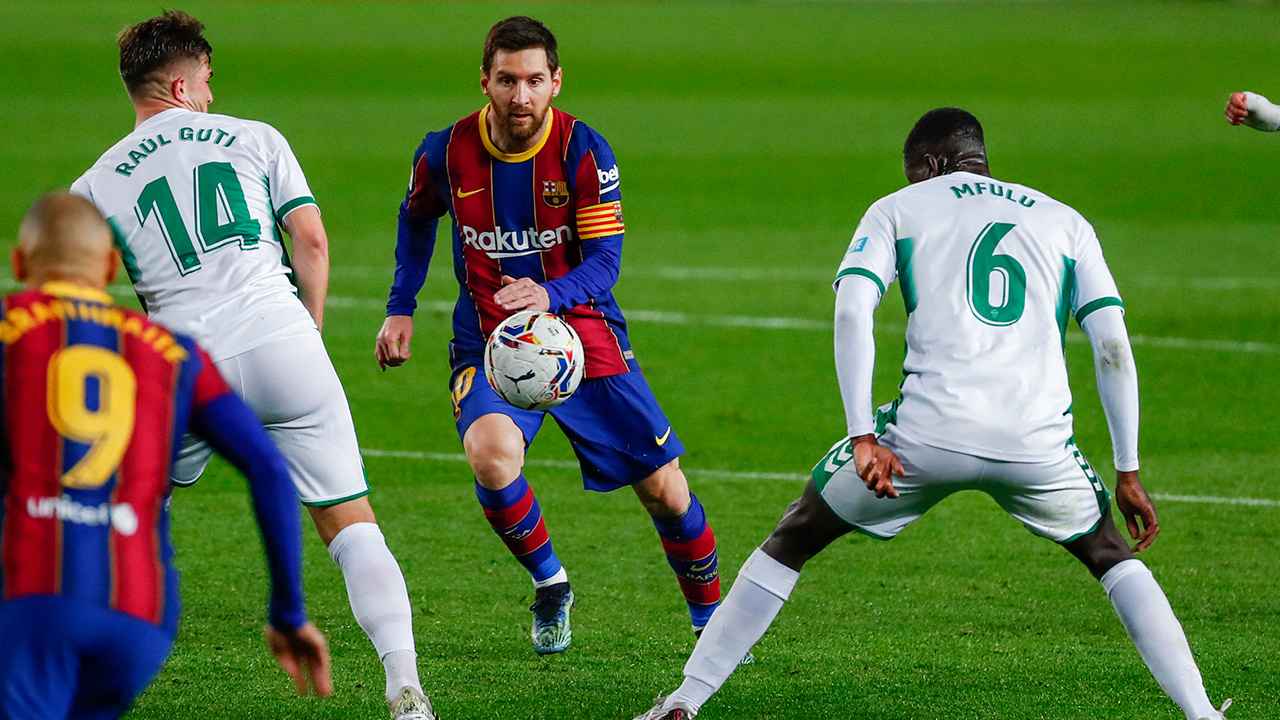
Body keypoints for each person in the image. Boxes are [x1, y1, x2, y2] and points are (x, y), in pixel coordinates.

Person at [632, 108, 1232, 720]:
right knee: (1108, 552)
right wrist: (1127, 469)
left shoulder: (899, 208)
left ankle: (686, 699)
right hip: (1037, 442)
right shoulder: (1064, 220)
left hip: (920, 440)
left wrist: (863, 435)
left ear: (932, 165)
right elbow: (1112, 345)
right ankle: (1202, 713)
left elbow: (851, 313)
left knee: (795, 535)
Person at [67, 13, 435, 720]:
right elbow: (312, 240)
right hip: (282, 340)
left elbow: (81, 295)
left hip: (181, 369)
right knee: (350, 523)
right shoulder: (255, 137)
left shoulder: (96, 182)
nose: (209, 93)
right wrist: (309, 331)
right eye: (204, 81)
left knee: (132, 519)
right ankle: (406, 691)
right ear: (179, 81)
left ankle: (83, 675)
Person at [376, 16, 735, 658]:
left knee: (665, 490)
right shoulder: (444, 151)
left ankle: (713, 621)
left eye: (535, 81)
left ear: (556, 82)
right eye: (507, 80)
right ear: (484, 80)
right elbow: (415, 221)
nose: (521, 97)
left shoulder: (583, 151)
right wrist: (400, 307)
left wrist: (548, 295)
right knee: (490, 457)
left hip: (583, 335)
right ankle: (551, 583)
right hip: (491, 346)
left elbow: (605, 262)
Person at [0, 193, 331, 720]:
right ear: (110, 267)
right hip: (139, 617)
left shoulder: (9, 327)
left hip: (31, 596)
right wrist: (288, 610)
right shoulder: (173, 351)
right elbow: (267, 466)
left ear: (18, 263)